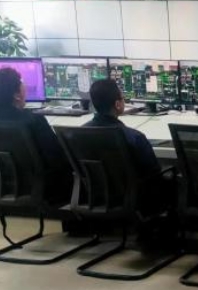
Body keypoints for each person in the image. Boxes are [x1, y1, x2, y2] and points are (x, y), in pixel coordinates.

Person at [84, 79, 172, 219]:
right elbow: (154, 171)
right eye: (123, 98)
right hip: (135, 199)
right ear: (118, 105)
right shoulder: (134, 137)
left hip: (97, 197)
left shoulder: (79, 133)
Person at [0, 67, 72, 201]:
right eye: (22, 85)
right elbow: (58, 158)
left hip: (6, 188)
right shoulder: (34, 121)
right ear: (16, 95)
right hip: (43, 190)